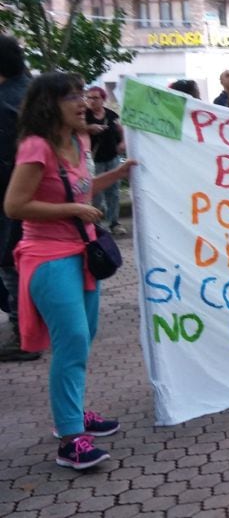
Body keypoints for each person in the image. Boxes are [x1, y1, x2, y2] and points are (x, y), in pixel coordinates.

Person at [5, 72, 136, 468]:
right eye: (72, 96)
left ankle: (75, 413)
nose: (83, 101)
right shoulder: (35, 147)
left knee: (83, 337)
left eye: (82, 93)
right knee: (74, 339)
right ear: (50, 104)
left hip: (82, 253)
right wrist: (73, 211)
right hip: (47, 257)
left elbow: (78, 189)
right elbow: (14, 205)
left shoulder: (80, 141)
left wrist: (115, 175)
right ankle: (70, 438)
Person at [0, 35, 39, 362]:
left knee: (12, 267)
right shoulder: (39, 93)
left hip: (14, 200)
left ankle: (24, 332)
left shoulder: (4, 102)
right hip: (52, 198)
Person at [84, 87, 126, 236]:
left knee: (113, 192)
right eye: (89, 97)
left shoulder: (110, 114)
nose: (91, 101)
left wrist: (122, 142)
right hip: (94, 160)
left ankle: (114, 222)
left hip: (112, 157)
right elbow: (75, 130)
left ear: (103, 99)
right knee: (95, 192)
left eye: (95, 98)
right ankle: (97, 224)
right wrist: (89, 128)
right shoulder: (84, 115)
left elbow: (120, 129)